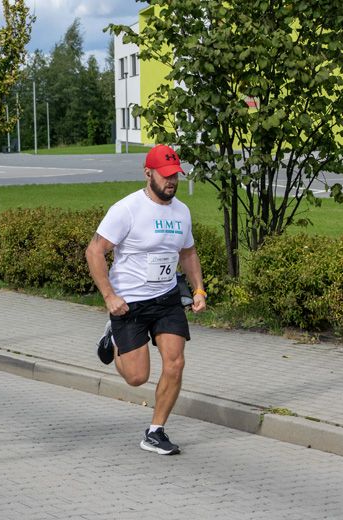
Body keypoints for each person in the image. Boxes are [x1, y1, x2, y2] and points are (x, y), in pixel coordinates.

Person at [85, 144, 207, 456]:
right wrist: (110, 297)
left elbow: (188, 252)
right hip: (129, 302)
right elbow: (94, 251)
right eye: (165, 175)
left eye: (175, 176)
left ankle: (156, 431)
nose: (171, 181)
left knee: (176, 362)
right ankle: (112, 334)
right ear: (147, 173)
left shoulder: (182, 211)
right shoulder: (126, 210)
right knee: (137, 378)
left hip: (166, 298)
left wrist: (198, 290)